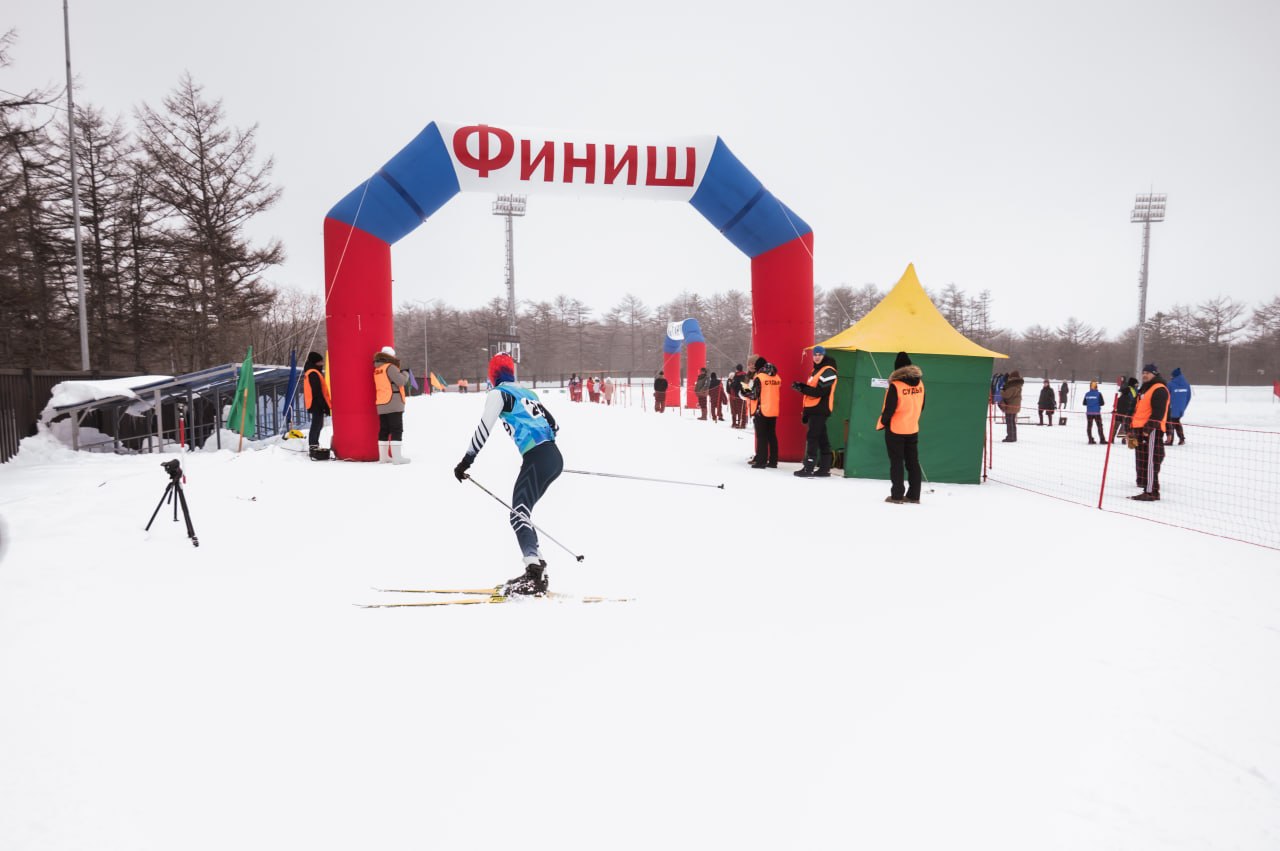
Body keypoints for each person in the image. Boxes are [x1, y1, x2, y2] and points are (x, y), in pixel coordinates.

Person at [453, 352, 562, 595]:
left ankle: (534, 574)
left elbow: (484, 428)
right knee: (522, 512)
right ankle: (537, 568)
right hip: (551, 456)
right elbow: (554, 426)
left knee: (518, 513)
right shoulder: (529, 393)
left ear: (493, 374)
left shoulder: (498, 393)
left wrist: (466, 460)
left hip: (538, 457)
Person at [877, 351, 925, 503]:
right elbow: (922, 406)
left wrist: (883, 422)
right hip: (912, 428)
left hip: (896, 429)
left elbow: (888, 409)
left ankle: (897, 495)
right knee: (913, 463)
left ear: (897, 369)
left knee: (897, 463)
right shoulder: (921, 384)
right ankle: (914, 495)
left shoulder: (895, 386)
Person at [791, 345, 838, 477]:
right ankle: (824, 468)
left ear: (824, 356)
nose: (817, 357)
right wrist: (801, 386)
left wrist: (802, 388)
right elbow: (813, 389)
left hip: (820, 409)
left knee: (812, 437)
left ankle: (809, 467)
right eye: (815, 354)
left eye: (819, 354)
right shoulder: (816, 370)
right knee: (822, 439)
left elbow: (820, 391)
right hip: (814, 409)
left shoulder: (828, 370)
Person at [1129, 363, 1170, 501]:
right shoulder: (1144, 389)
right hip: (1139, 429)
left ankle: (1152, 491)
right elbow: (1136, 409)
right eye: (1143, 372)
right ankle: (1146, 485)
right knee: (1144, 459)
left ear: (1155, 374)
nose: (1145, 375)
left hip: (1151, 430)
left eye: (1148, 372)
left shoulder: (1159, 389)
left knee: (1152, 460)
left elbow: (1159, 413)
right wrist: (1130, 427)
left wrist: (1148, 429)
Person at [373, 346, 410, 464]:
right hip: (393, 402)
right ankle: (397, 458)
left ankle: (383, 458)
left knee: (384, 429)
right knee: (396, 429)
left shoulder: (378, 369)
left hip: (381, 402)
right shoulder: (391, 367)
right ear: (390, 356)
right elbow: (401, 381)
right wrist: (405, 373)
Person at [745, 356, 781, 468]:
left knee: (761, 436)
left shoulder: (759, 377)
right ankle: (773, 461)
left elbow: (754, 395)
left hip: (761, 410)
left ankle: (761, 461)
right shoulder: (777, 377)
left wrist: (745, 392)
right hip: (773, 410)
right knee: (772, 436)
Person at [302, 351, 331, 454]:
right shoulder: (313, 373)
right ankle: (313, 445)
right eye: (320, 362)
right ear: (315, 362)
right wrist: (324, 406)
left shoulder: (311, 371)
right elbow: (317, 391)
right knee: (316, 424)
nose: (322, 363)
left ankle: (314, 444)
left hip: (314, 402)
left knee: (318, 424)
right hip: (316, 403)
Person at [1166, 367, 1191, 445]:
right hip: (1180, 409)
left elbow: (1166, 396)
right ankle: (1182, 439)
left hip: (1171, 408)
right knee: (1177, 422)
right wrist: (1183, 407)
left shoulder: (1170, 384)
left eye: (1171, 375)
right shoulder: (1186, 384)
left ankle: (1170, 440)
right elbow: (1188, 397)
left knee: (1170, 423)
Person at [999, 370, 1024, 442]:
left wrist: (1001, 391)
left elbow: (1007, 395)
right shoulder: (1017, 385)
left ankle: (1011, 437)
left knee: (1010, 422)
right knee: (1012, 422)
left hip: (1011, 407)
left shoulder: (1013, 386)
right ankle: (1013, 436)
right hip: (1014, 407)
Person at [1112, 377, 1139, 442]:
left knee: (1117, 424)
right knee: (1125, 424)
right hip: (1127, 409)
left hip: (1120, 409)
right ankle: (1123, 438)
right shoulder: (1133, 390)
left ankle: (1112, 438)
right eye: (1136, 384)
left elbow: (1119, 398)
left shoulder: (1125, 390)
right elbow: (1134, 400)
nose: (1137, 385)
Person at [1081, 380, 1106, 444]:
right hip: (1096, 412)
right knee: (1099, 426)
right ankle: (1102, 439)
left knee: (1089, 426)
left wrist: (1090, 402)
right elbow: (1102, 403)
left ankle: (1090, 439)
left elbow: (1084, 403)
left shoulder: (1087, 394)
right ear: (1096, 387)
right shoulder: (1099, 394)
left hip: (1089, 413)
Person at [727, 364, 747, 428]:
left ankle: (736, 423)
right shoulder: (745, 375)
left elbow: (734, 385)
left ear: (737, 369)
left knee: (735, 410)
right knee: (742, 410)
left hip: (736, 395)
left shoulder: (737, 376)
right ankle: (742, 423)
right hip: (744, 395)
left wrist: (731, 384)